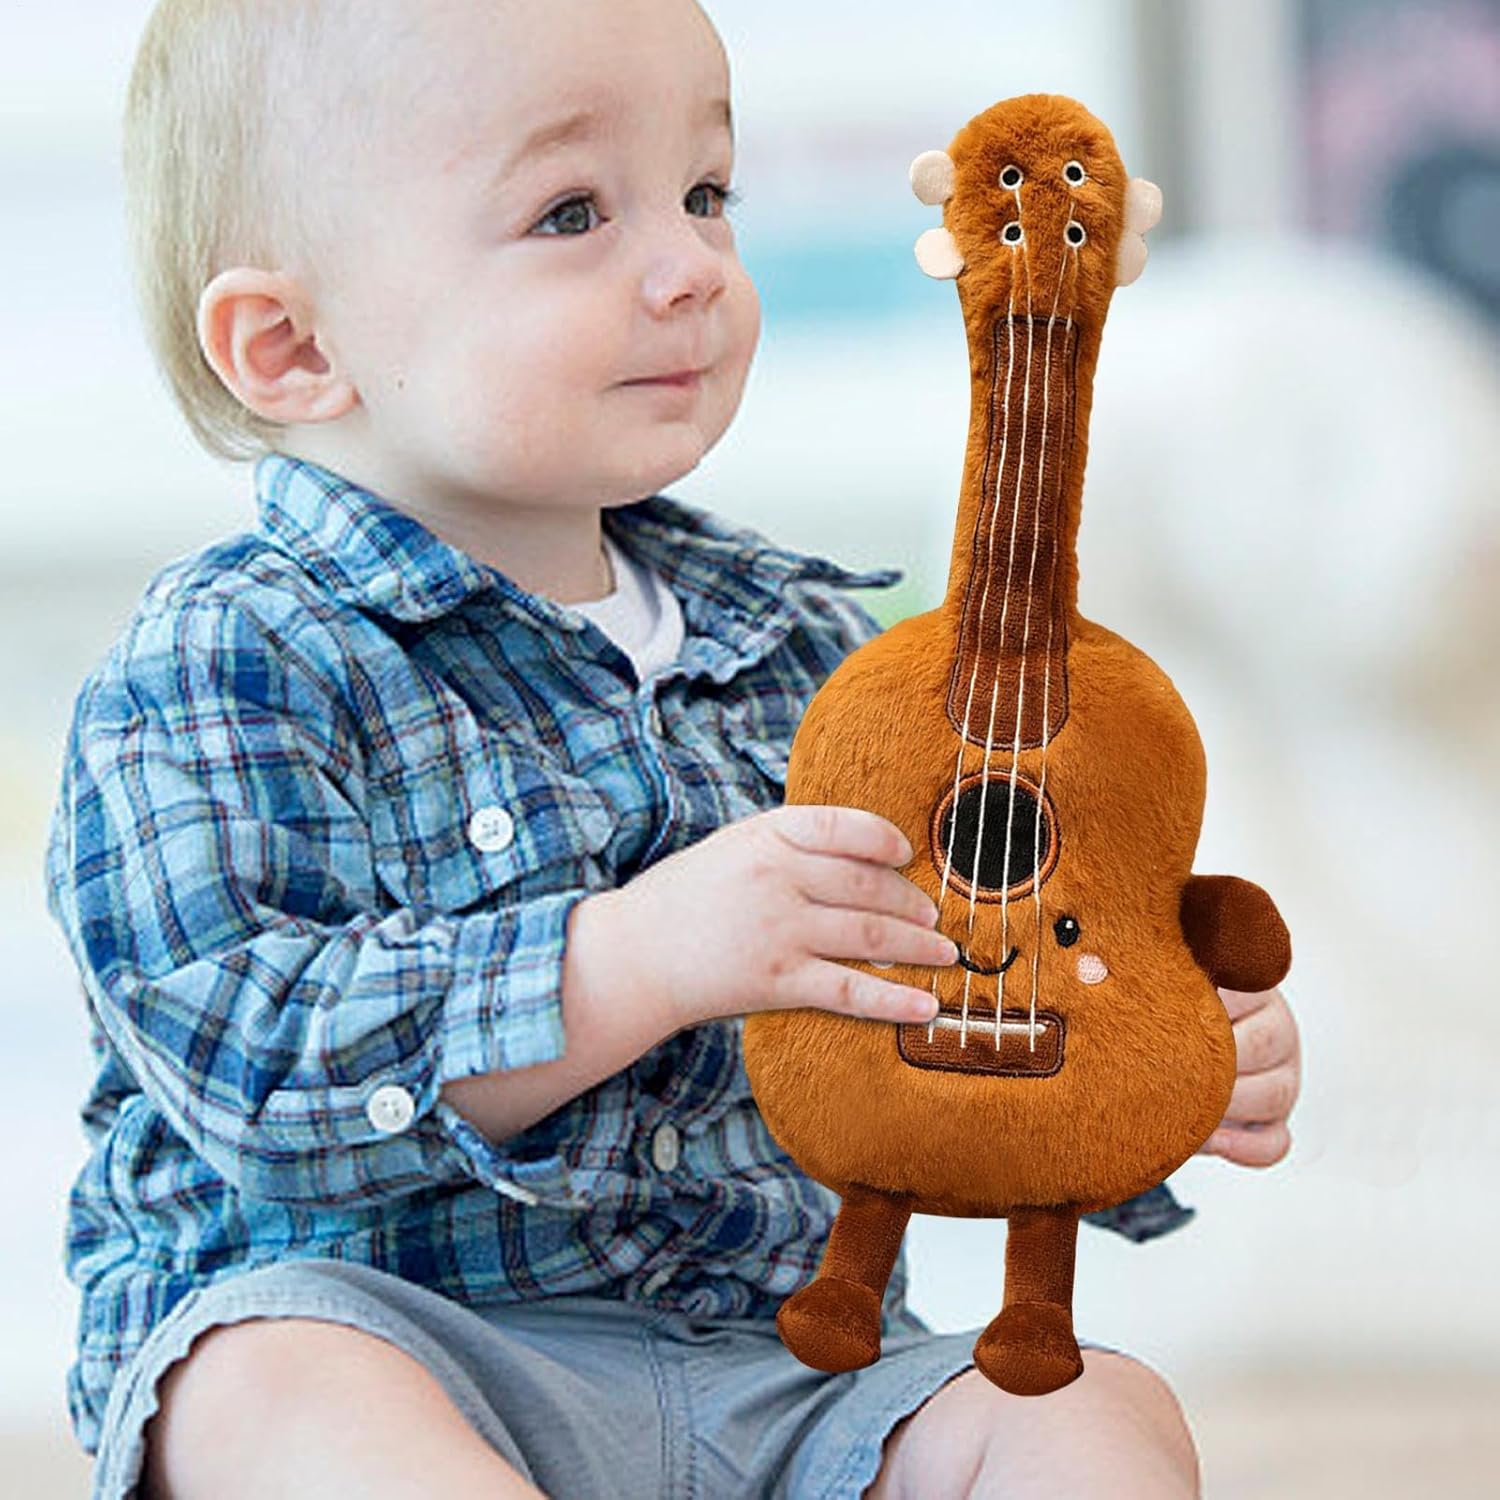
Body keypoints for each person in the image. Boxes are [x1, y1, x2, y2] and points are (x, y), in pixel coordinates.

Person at [44, 1, 1300, 1495]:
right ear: (294, 345)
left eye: (707, 193)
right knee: (261, 1383)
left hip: (780, 1369)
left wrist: (1136, 1062)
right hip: (399, 1338)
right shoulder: (222, 664)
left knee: (1090, 1411)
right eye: (573, 212)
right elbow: (249, 1067)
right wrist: (629, 960)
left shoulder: (815, 651)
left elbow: (940, 1009)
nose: (693, 264)